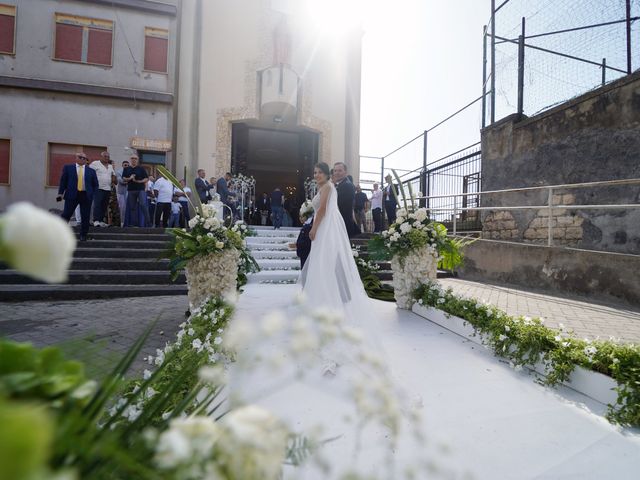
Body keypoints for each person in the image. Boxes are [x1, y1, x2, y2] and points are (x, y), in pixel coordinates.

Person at [299, 162, 372, 375]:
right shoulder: (327, 187)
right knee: (321, 268)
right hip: (324, 229)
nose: (317, 175)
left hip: (323, 230)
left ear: (327, 174)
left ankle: (327, 307)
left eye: (320, 172)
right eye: (314, 172)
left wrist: (313, 229)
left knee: (323, 267)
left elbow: (322, 210)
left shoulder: (329, 187)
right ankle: (321, 305)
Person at [57, 152, 99, 241]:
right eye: (80, 157)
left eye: (85, 158)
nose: (83, 159)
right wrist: (60, 193)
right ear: (76, 158)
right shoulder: (68, 168)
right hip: (72, 194)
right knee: (66, 214)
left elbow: (95, 184)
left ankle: (83, 235)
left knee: (85, 216)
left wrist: (92, 194)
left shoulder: (91, 171)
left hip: (86, 195)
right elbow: (63, 181)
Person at [122, 154, 151, 227]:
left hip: (140, 189)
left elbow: (146, 178)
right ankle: (134, 224)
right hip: (131, 190)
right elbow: (124, 178)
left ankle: (148, 222)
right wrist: (130, 178)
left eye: (135, 158)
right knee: (132, 207)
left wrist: (139, 181)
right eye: (132, 158)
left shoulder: (141, 168)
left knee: (143, 205)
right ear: (130, 159)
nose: (134, 159)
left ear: (137, 160)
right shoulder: (126, 169)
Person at [332, 162, 359, 238]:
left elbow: (338, 204)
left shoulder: (347, 186)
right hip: (339, 223)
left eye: (340, 170)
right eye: (335, 171)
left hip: (343, 224)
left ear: (345, 172)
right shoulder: (339, 185)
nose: (337, 173)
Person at [89, 151, 116, 227]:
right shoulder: (95, 164)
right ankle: (96, 220)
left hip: (107, 189)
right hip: (98, 188)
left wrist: (113, 179)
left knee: (104, 205)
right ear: (101, 157)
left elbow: (113, 175)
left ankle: (101, 220)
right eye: (105, 156)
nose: (107, 158)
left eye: (108, 157)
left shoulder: (110, 166)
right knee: (97, 204)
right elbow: (89, 173)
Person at [116, 159, 129, 226]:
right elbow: (121, 181)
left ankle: (127, 222)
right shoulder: (119, 172)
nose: (126, 166)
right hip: (121, 192)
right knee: (121, 208)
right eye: (125, 165)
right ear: (122, 165)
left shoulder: (130, 172)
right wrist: (130, 181)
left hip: (129, 192)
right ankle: (121, 222)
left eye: (127, 165)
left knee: (128, 208)